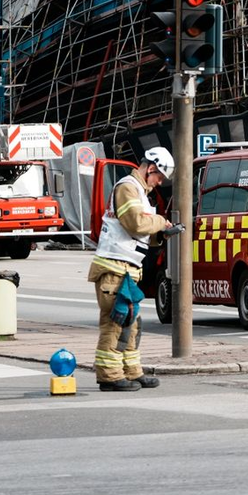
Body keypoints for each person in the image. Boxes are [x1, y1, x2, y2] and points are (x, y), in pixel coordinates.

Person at [88, 146, 183, 390]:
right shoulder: (128, 187)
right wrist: (161, 221)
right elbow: (135, 222)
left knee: (131, 322)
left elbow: (140, 233)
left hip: (126, 269)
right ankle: (109, 376)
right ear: (151, 168)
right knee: (115, 322)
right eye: (159, 177)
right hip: (113, 268)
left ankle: (131, 371)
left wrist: (161, 235)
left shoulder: (139, 192)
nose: (159, 183)